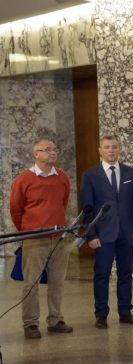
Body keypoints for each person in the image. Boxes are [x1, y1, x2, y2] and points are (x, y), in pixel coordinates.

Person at [9, 138, 74, 339]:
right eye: (47, 150)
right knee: (31, 283)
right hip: (34, 239)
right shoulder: (23, 179)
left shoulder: (62, 177)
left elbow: (63, 203)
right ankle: (30, 323)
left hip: (59, 239)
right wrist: (28, 231)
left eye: (54, 149)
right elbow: (16, 209)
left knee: (57, 282)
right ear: (36, 154)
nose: (52, 152)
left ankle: (55, 319)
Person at [80, 134, 133, 329]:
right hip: (103, 234)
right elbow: (87, 208)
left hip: (127, 233)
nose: (111, 150)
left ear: (120, 149)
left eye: (114, 147)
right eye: (107, 147)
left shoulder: (130, 173)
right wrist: (91, 235)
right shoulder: (91, 175)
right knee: (102, 275)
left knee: (126, 274)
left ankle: (125, 312)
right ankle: (101, 314)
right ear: (100, 151)